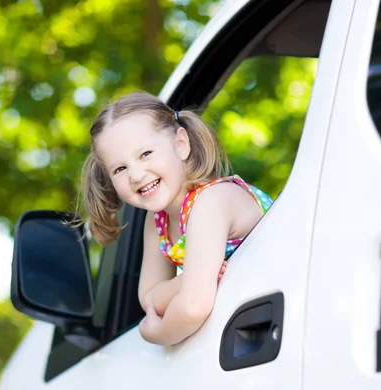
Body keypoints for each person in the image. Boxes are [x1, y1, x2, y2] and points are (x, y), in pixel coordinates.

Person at [80, 91, 273, 346]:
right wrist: (185, 281)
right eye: (120, 168)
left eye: (145, 154)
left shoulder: (211, 203)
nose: (136, 175)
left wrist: (154, 334)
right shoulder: (156, 220)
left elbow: (193, 307)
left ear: (181, 144)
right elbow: (148, 298)